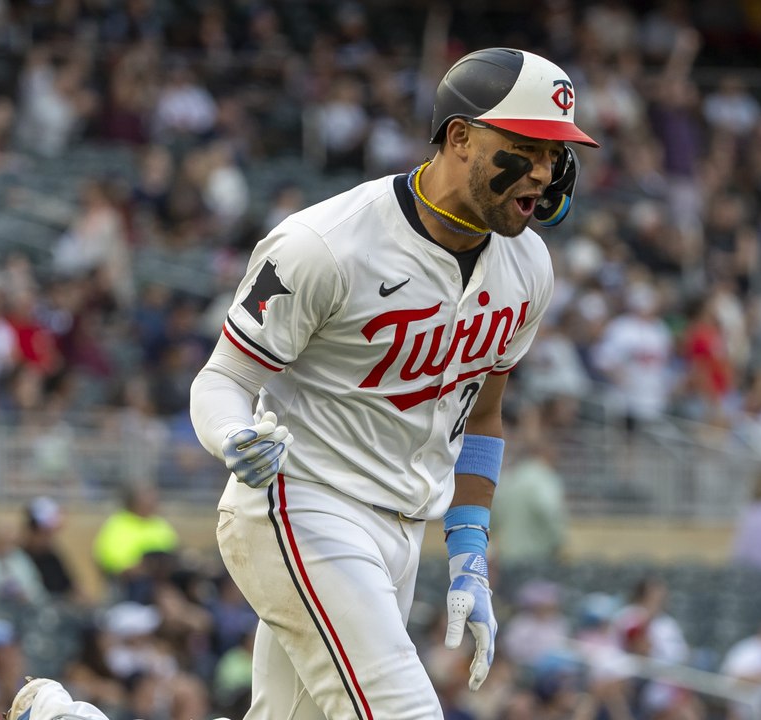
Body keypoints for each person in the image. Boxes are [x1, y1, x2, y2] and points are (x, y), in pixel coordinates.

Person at [172, 46, 591, 720]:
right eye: (527, 145)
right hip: (303, 503)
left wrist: (469, 552)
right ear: (460, 138)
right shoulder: (325, 242)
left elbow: (482, 417)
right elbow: (222, 376)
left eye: (556, 152)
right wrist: (231, 435)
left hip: (400, 533)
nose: (544, 170)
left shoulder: (529, 266)